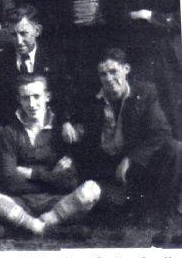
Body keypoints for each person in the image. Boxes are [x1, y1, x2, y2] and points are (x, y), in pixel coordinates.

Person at [73, 49, 180, 228]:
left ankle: (166, 213)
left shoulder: (145, 93)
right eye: (103, 74)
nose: (108, 78)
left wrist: (130, 159)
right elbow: (74, 118)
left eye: (114, 71)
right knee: (105, 212)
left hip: (137, 164)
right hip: (106, 168)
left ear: (126, 69)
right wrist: (69, 124)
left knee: (176, 149)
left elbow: (161, 132)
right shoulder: (92, 99)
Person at [0, 74, 101, 236]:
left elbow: (70, 181)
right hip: (21, 201)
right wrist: (52, 176)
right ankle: (51, 229)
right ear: (19, 100)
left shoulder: (60, 130)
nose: (32, 104)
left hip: (55, 202)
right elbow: (9, 181)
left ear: (47, 96)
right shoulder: (10, 132)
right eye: (26, 98)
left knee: (92, 189)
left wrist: (32, 173)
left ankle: (27, 226)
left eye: (36, 97)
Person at [122, 0, 181, 139]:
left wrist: (149, 16)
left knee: (176, 117)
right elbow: (122, 16)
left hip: (175, 59)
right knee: (147, 119)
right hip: (142, 58)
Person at [0, 6, 66, 132]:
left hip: (49, 125)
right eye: (13, 35)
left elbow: (63, 96)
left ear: (37, 31)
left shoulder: (55, 58)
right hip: (13, 129)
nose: (18, 41)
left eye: (23, 34)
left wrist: (66, 121)